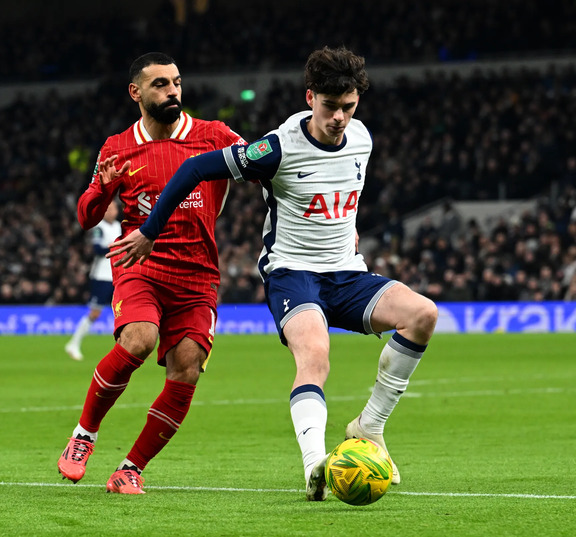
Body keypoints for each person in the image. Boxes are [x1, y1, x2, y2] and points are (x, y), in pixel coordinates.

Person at [109, 46, 438, 501]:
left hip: (346, 273)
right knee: (315, 357)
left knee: (423, 315)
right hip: (293, 274)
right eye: (330, 107)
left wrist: (352, 228)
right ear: (310, 98)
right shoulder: (276, 148)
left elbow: (345, 190)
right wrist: (149, 229)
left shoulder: (362, 138)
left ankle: (369, 427)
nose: (339, 117)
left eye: (348, 107)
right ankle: (314, 466)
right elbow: (193, 168)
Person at [56, 52, 245, 494]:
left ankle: (131, 469)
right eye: (160, 84)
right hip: (140, 267)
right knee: (138, 339)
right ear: (135, 93)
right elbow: (86, 217)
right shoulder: (118, 146)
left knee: (187, 368)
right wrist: (102, 187)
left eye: (176, 82)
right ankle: (84, 435)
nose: (172, 91)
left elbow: (267, 165)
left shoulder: (215, 136)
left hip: (198, 277)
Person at [64, 200, 121, 361]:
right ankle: (73, 343)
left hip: (116, 274)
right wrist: (115, 247)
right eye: (108, 208)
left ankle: (129, 346)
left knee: (123, 310)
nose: (112, 211)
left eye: (114, 208)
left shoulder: (118, 226)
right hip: (101, 276)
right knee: (95, 313)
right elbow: (96, 249)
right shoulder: (99, 228)